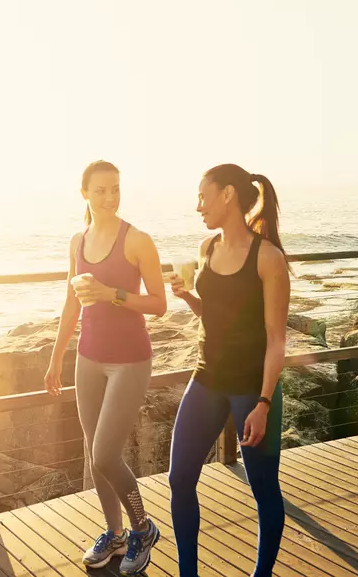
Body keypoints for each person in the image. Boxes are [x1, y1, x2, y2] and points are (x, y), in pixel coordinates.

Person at [167, 164, 291, 577]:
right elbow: (215, 318)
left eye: (204, 195)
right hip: (206, 378)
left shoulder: (268, 258)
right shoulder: (206, 249)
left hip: (250, 388)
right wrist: (188, 297)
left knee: (263, 489)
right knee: (179, 479)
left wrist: (263, 402)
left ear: (228, 196)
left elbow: (276, 339)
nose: (198, 205)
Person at [44, 160, 167, 575]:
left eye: (115, 188)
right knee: (94, 454)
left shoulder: (138, 241)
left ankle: (142, 529)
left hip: (130, 359)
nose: (110, 197)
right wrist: (56, 356)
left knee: (106, 455)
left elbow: (159, 304)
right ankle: (114, 534)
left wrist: (111, 293)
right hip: (88, 358)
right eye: (101, 191)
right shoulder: (77, 241)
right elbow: (70, 304)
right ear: (85, 194)